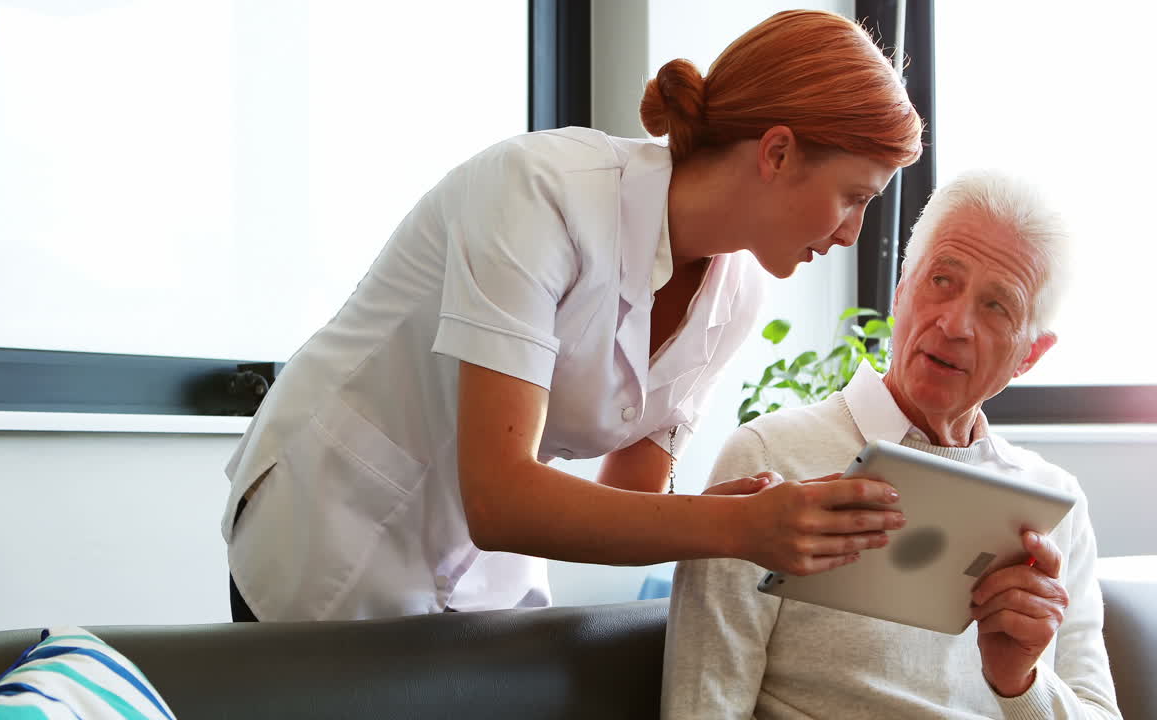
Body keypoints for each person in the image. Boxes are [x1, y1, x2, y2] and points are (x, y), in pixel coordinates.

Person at [222, 9, 923, 623]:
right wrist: (738, 525)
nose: (851, 236)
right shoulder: (541, 192)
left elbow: (631, 494)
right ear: (776, 152)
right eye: (853, 197)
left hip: (481, 580)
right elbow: (500, 499)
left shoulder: (737, 295)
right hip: (330, 529)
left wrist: (746, 511)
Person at [661, 170, 1121, 719]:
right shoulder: (769, 457)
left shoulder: (1054, 503)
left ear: (1030, 356)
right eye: (941, 281)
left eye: (997, 306)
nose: (954, 323)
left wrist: (1019, 682)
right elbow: (702, 706)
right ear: (901, 292)